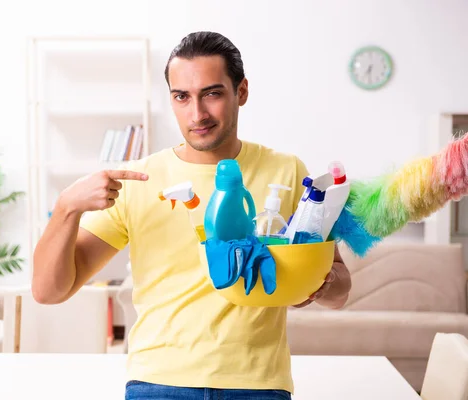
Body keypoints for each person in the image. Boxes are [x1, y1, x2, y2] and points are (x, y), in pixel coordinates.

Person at [32, 31, 352, 400]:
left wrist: (316, 283)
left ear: (241, 92)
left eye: (212, 94)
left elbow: (340, 290)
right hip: (158, 383)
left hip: (257, 384)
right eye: (181, 97)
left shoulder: (288, 172)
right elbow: (48, 291)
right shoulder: (138, 180)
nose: (196, 114)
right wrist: (66, 208)